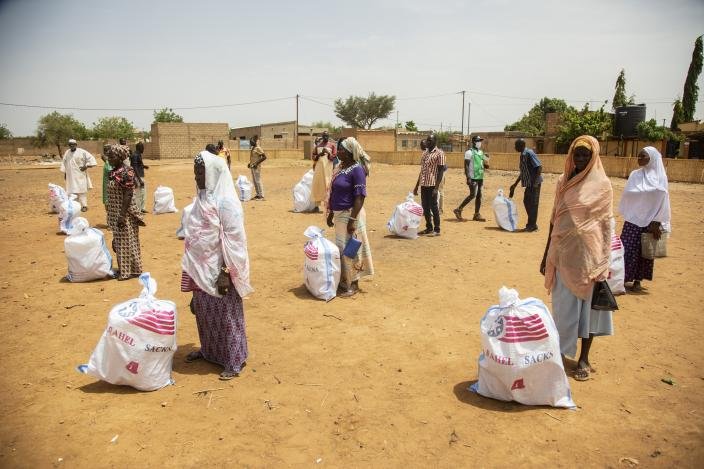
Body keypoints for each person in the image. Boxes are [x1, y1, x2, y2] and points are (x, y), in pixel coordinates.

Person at [540, 135, 613, 381]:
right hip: (563, 256)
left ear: (594, 157)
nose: (580, 159)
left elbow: (606, 226)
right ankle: (560, 353)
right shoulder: (562, 181)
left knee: (587, 313)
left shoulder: (602, 185)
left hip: (589, 258)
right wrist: (545, 255)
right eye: (577, 154)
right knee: (563, 310)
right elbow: (554, 220)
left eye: (586, 155)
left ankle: (584, 358)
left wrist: (604, 260)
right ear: (571, 155)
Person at [181, 150, 253, 380]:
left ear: (213, 173)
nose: (196, 177)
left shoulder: (227, 202)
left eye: (201, 172)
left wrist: (224, 272)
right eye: (195, 172)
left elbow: (235, 241)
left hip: (222, 269)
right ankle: (209, 351)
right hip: (201, 268)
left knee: (226, 315)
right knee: (204, 311)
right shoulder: (201, 198)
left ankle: (234, 361)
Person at [618, 146, 671, 292]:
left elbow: (664, 201)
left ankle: (637, 281)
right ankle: (623, 278)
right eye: (639, 156)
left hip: (651, 221)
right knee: (627, 249)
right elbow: (627, 194)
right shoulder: (635, 175)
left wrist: (657, 221)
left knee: (644, 252)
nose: (639, 158)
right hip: (633, 218)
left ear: (652, 158)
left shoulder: (660, 178)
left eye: (643, 156)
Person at [326, 137, 374, 297]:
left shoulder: (357, 169)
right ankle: (345, 280)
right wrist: (331, 212)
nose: (338, 152)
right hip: (339, 215)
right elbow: (334, 191)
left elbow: (360, 197)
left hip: (352, 215)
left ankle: (354, 283)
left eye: (342, 150)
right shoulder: (340, 167)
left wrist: (353, 220)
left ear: (350, 152)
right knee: (341, 249)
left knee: (352, 250)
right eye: (338, 149)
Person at [105, 144, 145, 281]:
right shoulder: (114, 171)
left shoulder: (126, 172)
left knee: (125, 242)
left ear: (120, 157)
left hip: (125, 212)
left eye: (112, 156)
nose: (109, 158)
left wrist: (122, 215)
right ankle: (134, 269)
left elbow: (128, 194)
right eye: (109, 156)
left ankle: (126, 272)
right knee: (122, 241)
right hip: (116, 211)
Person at [413, 134, 445, 235]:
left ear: (435, 141)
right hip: (424, 184)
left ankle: (437, 229)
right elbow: (422, 171)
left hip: (432, 184)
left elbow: (441, 172)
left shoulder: (439, 153)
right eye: (428, 140)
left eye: (430, 140)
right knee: (425, 207)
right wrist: (416, 186)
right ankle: (429, 227)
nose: (428, 142)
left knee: (434, 207)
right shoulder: (425, 153)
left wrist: (436, 188)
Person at [509, 138, 543, 231]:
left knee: (533, 204)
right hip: (529, 183)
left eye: (516, 145)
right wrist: (515, 184)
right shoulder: (522, 155)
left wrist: (535, 183)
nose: (515, 147)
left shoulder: (529, 153)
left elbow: (539, 167)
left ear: (521, 145)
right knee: (527, 202)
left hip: (534, 183)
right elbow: (523, 172)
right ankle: (533, 224)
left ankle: (531, 225)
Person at [453, 135, 489, 221]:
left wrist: (487, 161)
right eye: (478, 141)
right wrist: (468, 177)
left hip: (480, 177)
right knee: (473, 194)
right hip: (472, 177)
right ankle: (458, 209)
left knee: (479, 196)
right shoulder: (469, 152)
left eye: (480, 141)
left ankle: (476, 214)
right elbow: (466, 166)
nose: (479, 143)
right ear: (473, 142)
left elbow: (485, 165)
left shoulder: (481, 152)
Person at [60, 138, 97, 212]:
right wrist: (65, 173)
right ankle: (76, 206)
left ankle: (84, 206)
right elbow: (64, 163)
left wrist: (86, 166)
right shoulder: (67, 152)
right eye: (70, 145)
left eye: (73, 144)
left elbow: (92, 160)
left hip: (80, 175)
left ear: (76, 145)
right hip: (70, 176)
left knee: (81, 191)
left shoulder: (82, 152)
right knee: (72, 191)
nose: (71, 146)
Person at [311, 130, 336, 212]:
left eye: (327, 136)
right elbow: (313, 157)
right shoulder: (317, 146)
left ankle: (328, 206)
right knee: (317, 185)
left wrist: (328, 154)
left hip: (328, 170)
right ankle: (316, 206)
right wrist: (320, 154)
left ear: (328, 136)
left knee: (328, 186)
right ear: (322, 136)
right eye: (324, 136)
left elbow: (334, 157)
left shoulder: (332, 145)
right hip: (319, 169)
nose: (325, 137)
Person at [130, 142, 149, 213]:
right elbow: (134, 167)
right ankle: (138, 209)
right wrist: (139, 179)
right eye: (142, 148)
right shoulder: (135, 155)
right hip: (138, 177)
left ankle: (142, 208)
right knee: (138, 193)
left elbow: (138, 164)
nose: (143, 149)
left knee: (143, 192)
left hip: (141, 176)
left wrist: (144, 166)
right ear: (139, 148)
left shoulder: (138, 155)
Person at [248, 135, 267, 200]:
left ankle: (262, 195)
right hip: (252, 166)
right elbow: (254, 157)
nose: (250, 143)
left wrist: (256, 163)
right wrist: (250, 163)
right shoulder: (253, 148)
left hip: (256, 167)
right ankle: (258, 194)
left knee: (258, 180)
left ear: (254, 141)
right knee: (255, 181)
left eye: (251, 141)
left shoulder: (258, 148)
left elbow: (264, 157)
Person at [101, 144, 112, 208]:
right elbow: (109, 169)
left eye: (107, 150)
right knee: (107, 199)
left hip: (113, 182)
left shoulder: (112, 159)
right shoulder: (105, 158)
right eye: (105, 150)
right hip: (107, 182)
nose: (106, 152)